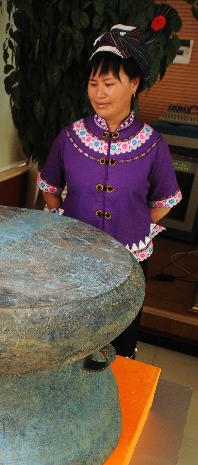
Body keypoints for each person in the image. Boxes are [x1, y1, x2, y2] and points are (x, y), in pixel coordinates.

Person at [38, 24, 182, 359]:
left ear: (133, 84)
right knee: (72, 339)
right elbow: (49, 188)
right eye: (94, 84)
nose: (99, 93)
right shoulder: (70, 137)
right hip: (74, 260)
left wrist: (136, 222)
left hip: (129, 263)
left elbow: (167, 199)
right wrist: (63, 220)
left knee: (119, 342)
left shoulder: (152, 144)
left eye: (109, 83)